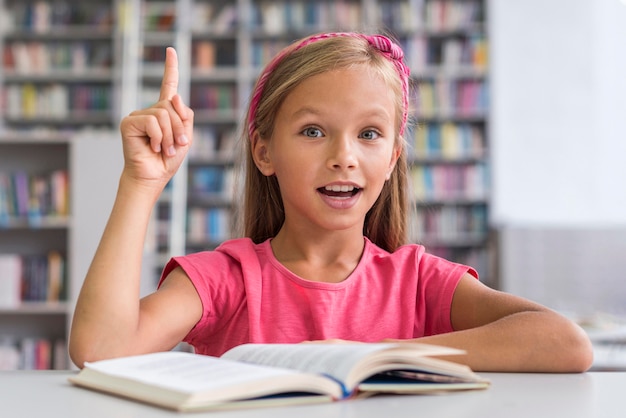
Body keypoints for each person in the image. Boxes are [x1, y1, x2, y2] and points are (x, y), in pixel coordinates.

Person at [69, 32, 593, 372]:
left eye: (369, 134)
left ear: (392, 160)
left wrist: (371, 357)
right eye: (314, 131)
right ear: (264, 151)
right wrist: (141, 184)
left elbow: (565, 343)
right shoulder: (226, 278)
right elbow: (100, 352)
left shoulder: (418, 281)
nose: (344, 157)